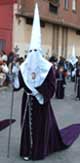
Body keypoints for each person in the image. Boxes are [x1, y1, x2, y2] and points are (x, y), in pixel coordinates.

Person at [13, 3, 80, 161]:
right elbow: (18, 86)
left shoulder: (48, 67)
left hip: (41, 104)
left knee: (40, 128)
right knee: (27, 127)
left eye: (36, 51)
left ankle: (37, 151)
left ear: (40, 51)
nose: (33, 54)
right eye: (31, 51)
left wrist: (40, 93)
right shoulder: (24, 66)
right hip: (28, 101)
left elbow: (51, 87)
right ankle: (26, 150)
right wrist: (16, 76)